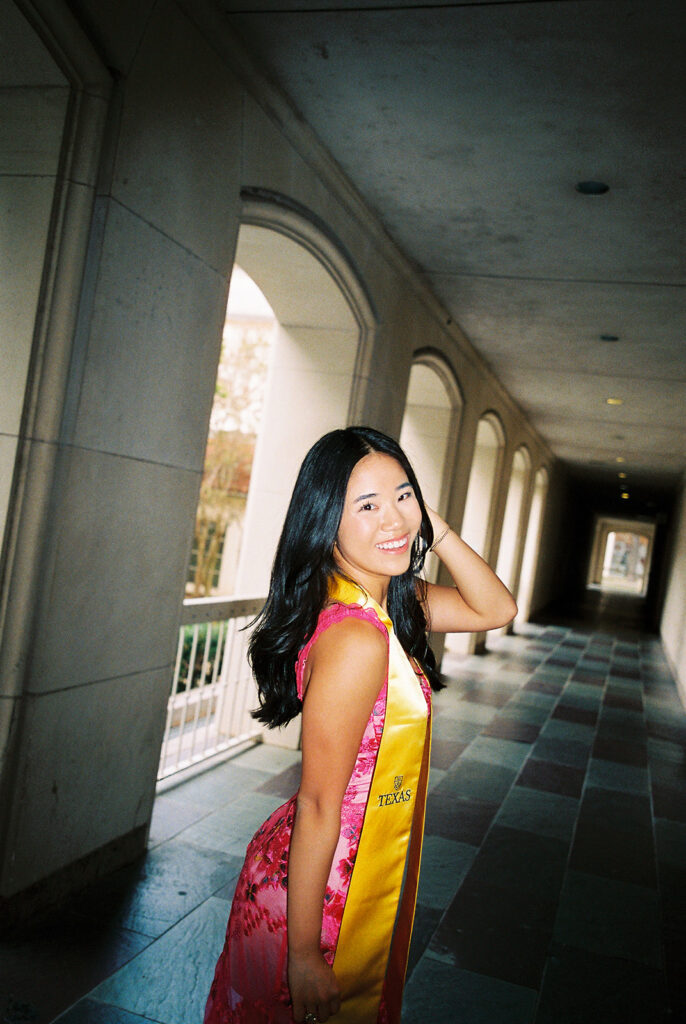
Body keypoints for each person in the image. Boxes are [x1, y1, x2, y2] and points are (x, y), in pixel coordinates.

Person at [204, 426, 516, 1024]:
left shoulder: (386, 601)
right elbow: (322, 802)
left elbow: (496, 608)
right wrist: (302, 955)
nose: (393, 520)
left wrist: (434, 526)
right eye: (367, 506)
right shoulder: (355, 638)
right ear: (327, 522)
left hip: (333, 866)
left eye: (403, 495)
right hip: (322, 896)